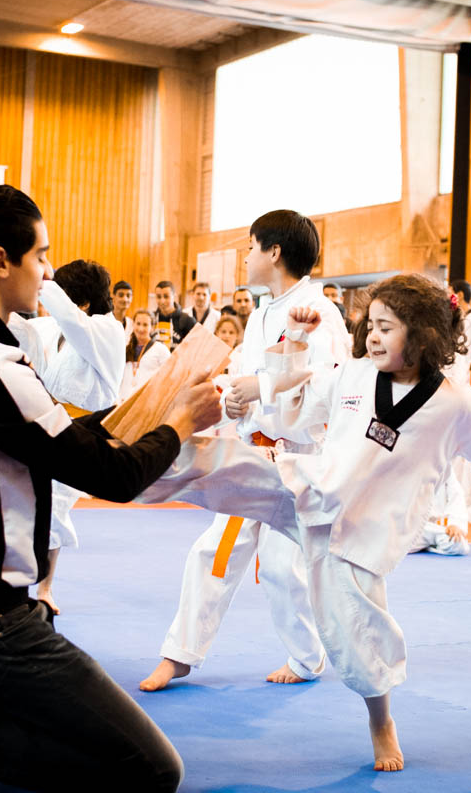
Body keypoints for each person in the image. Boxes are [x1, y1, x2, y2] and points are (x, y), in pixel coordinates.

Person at [136, 273, 471, 772]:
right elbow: (299, 400)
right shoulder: (354, 375)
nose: (373, 336)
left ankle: (381, 721)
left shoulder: (455, 405)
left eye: (386, 328)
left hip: (361, 534)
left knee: (358, 635)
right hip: (307, 488)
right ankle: (131, 462)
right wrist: (288, 350)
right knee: (224, 464)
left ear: (423, 337)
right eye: (370, 325)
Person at [0, 184, 218, 793]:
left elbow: (52, 434)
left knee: (79, 733)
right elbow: (114, 476)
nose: (45, 271)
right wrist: (180, 424)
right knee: (153, 770)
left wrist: (147, 410)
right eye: (39, 256)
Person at [139, 210, 348, 694]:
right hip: (255, 453)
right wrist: (234, 398)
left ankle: (307, 656)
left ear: (274, 252)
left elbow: (324, 390)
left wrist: (261, 391)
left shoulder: (320, 310)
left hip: (299, 461)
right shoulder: (259, 314)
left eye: (251, 247)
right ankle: (179, 654)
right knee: (213, 551)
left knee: (280, 567)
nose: (246, 257)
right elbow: (244, 380)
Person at [28, 260, 127, 614]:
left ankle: (44, 588)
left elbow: (69, 318)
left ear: (82, 303)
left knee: (53, 504)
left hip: (83, 431)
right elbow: (22, 326)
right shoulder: (57, 327)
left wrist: (43, 278)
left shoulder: (107, 330)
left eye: (63, 295)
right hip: (46, 422)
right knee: (25, 502)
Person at [408, 469, 470, 556]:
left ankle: (429, 543)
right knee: (397, 545)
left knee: (457, 543)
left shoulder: (444, 465)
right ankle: (431, 543)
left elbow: (456, 494)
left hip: (432, 530)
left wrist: (455, 524)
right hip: (408, 527)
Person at [121, 310, 170, 400]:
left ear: (152, 327)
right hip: (125, 400)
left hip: (149, 400)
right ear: (133, 325)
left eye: (145, 325)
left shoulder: (161, 349)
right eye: (138, 324)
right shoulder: (125, 349)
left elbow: (169, 377)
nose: (141, 329)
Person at [153, 280, 196, 346]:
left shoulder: (188, 321)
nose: (162, 301)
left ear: (174, 296)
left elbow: (194, 347)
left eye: (166, 296)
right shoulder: (151, 319)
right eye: (159, 297)